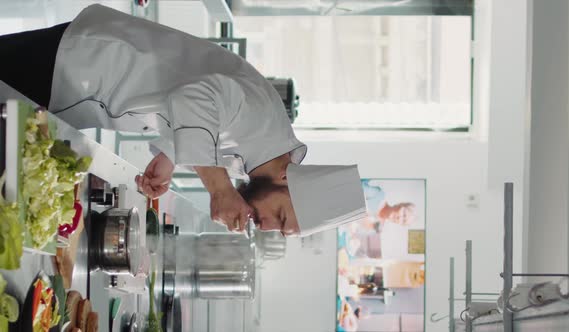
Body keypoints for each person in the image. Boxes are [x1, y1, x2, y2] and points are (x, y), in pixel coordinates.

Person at [0, 4, 366, 237]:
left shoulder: (260, 153)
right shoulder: (263, 121)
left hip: (90, 76)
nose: (268, 227)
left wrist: (169, 155)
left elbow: (204, 113)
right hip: (86, 61)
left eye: (281, 230)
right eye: (282, 217)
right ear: (288, 181)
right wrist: (219, 190)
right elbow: (194, 98)